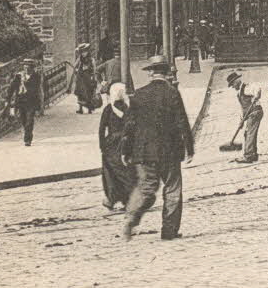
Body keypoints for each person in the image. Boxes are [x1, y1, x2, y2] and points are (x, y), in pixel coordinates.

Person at [121, 55, 194, 241]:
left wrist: (125, 150)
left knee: (146, 188)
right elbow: (182, 122)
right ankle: (169, 230)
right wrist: (189, 148)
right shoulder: (172, 93)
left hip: (144, 151)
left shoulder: (139, 94)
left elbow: (129, 125)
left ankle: (131, 218)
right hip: (169, 151)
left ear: (151, 73)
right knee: (172, 188)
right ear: (167, 73)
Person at [99, 82, 136, 211]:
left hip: (111, 143)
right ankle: (129, 199)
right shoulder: (128, 108)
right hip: (125, 143)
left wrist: (102, 144)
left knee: (110, 173)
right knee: (126, 171)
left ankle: (111, 198)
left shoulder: (109, 109)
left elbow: (102, 128)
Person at [226, 69, 263, 163]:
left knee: (250, 133)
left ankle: (248, 155)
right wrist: (241, 121)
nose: (233, 87)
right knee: (248, 133)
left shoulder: (246, 87)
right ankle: (253, 154)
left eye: (232, 84)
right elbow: (243, 108)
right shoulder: (239, 93)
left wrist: (257, 95)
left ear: (237, 81)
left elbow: (257, 89)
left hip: (255, 112)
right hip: (251, 114)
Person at [6, 58, 44, 146]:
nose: (26, 69)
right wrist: (7, 99)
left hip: (31, 102)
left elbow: (35, 89)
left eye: (28, 67)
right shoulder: (19, 76)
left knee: (29, 120)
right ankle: (27, 132)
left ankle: (28, 139)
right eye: (25, 67)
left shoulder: (36, 76)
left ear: (32, 68)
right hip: (20, 101)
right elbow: (12, 88)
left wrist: (25, 83)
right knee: (23, 120)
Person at [71, 44, 101, 115]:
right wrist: (76, 69)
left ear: (88, 52)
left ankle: (90, 109)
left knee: (89, 93)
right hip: (81, 79)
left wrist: (95, 78)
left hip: (88, 79)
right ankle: (80, 109)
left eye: (85, 52)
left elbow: (94, 69)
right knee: (80, 94)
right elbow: (74, 66)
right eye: (82, 52)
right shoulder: (80, 59)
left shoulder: (91, 59)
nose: (83, 54)